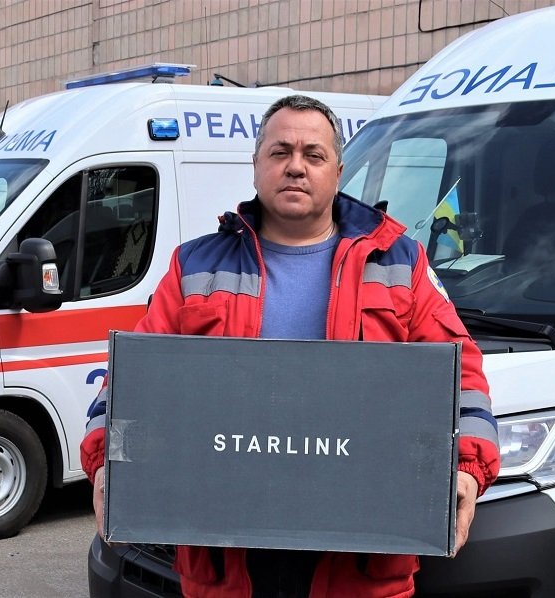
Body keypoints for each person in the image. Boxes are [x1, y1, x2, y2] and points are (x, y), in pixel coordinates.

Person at [80, 95, 500, 597]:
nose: (296, 166)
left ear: (338, 172)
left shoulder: (400, 264)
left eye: (313, 155)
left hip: (359, 559)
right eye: (280, 152)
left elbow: (460, 374)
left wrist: (467, 468)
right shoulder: (194, 266)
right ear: (256, 165)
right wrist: (105, 463)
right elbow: (132, 380)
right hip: (228, 556)